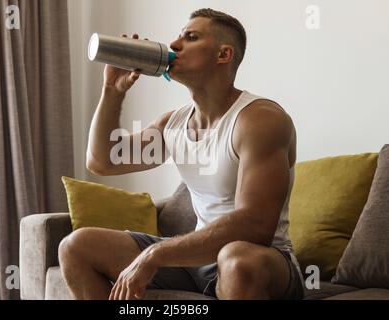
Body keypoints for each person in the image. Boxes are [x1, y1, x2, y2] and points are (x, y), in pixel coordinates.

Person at [59, 8, 304, 300]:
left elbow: (255, 226)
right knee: (76, 246)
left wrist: (157, 253)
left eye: (191, 37)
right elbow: (102, 161)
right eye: (178, 37)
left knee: (237, 260)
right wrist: (112, 90)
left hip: (261, 260)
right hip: (197, 263)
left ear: (223, 55)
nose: (174, 45)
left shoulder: (260, 119)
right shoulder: (172, 124)